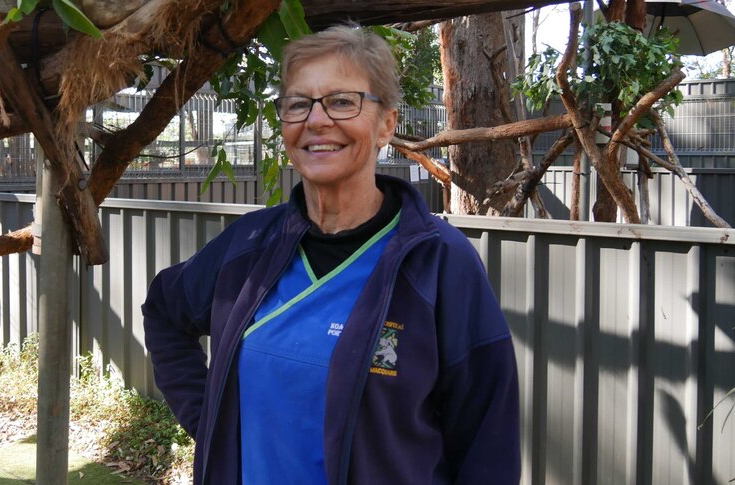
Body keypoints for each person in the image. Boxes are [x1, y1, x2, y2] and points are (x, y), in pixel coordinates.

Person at [142, 25, 520, 485]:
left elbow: (488, 441)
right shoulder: (249, 246)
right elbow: (164, 310)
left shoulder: (439, 264)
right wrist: (211, 423)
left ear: (386, 124)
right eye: (298, 104)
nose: (316, 121)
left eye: (343, 101)